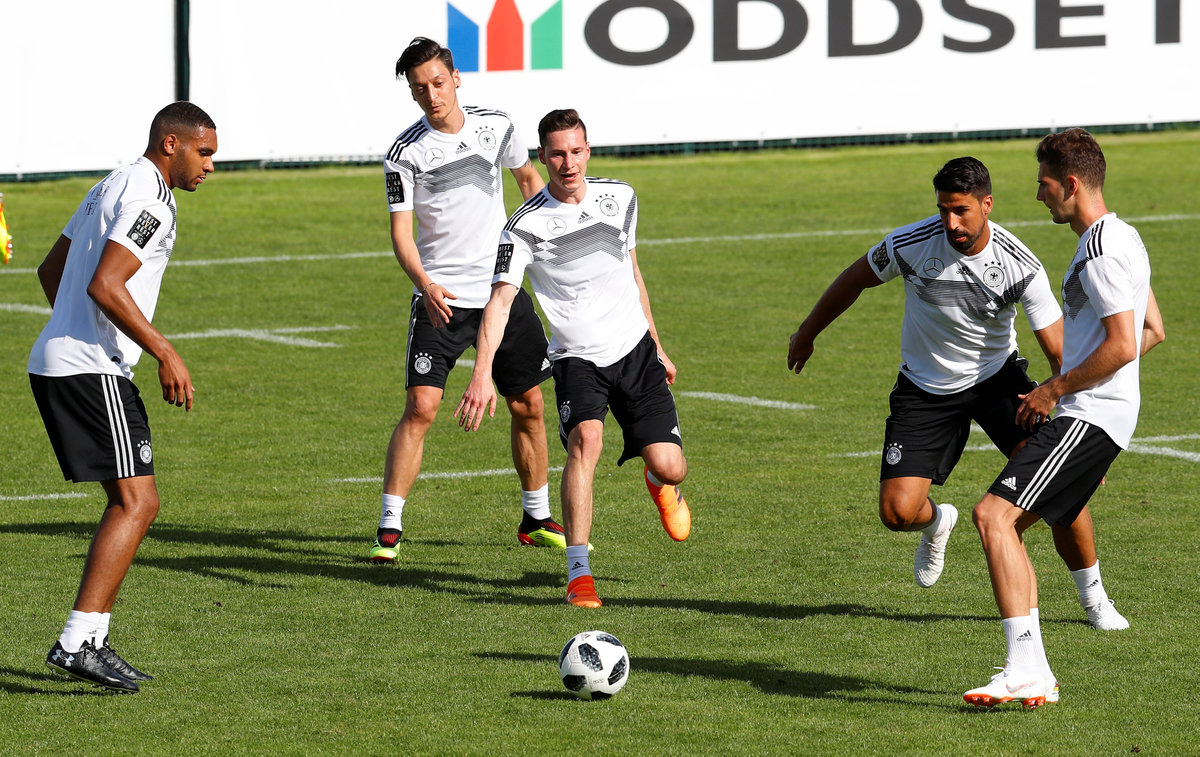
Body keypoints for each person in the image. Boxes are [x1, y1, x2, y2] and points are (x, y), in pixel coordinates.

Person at [787, 157, 1129, 629]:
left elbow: (1059, 352)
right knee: (896, 512)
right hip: (923, 388)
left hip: (998, 382)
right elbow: (855, 278)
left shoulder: (1019, 263)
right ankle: (937, 522)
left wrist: (1078, 434)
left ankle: (1094, 599)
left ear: (986, 205)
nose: (951, 223)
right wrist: (807, 332)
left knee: (1062, 486)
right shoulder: (909, 244)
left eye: (961, 210)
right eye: (944, 209)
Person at [454, 109, 691, 608]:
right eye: (558, 154)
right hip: (576, 359)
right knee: (586, 442)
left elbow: (633, 272)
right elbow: (499, 303)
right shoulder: (522, 226)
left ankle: (658, 481)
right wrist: (481, 374)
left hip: (634, 350)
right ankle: (579, 575)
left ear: (588, 151)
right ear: (542, 157)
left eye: (576, 151)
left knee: (672, 467)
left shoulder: (621, 198)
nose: (569, 164)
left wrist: (657, 344)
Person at [963, 129, 1163, 708]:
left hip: (1088, 415)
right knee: (1006, 527)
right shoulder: (1124, 236)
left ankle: (1026, 669)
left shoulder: (1100, 252)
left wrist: (1057, 387)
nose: (1038, 195)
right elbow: (1153, 330)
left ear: (1071, 184)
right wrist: (1101, 383)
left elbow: (1122, 344)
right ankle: (1030, 668)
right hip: (1098, 413)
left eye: (1044, 184)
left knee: (992, 517)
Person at [28, 102, 218, 693]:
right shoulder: (151, 200)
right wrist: (164, 352)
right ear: (171, 144)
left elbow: (50, 270)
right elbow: (105, 283)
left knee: (131, 500)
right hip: (91, 370)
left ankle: (89, 639)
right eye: (204, 152)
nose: (211, 165)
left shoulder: (110, 183)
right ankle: (78, 641)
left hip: (63, 362)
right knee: (139, 503)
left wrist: (74, 326)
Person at [372, 37, 563, 564]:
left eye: (438, 83)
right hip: (442, 297)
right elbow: (401, 234)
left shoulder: (496, 126)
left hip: (502, 289)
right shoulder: (403, 154)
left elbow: (529, 180)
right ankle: (389, 525)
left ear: (455, 78)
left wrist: (546, 240)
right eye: (420, 89)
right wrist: (425, 283)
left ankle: (536, 518)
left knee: (529, 404)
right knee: (421, 407)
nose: (431, 95)